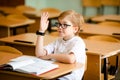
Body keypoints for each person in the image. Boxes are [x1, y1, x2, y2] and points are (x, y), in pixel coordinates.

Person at [35, 10, 86, 80]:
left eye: (65, 25)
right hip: (57, 75)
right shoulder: (58, 41)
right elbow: (39, 54)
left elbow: (70, 59)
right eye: (59, 24)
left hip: (69, 78)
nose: (59, 27)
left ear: (75, 29)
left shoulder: (78, 42)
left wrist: (50, 56)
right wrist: (41, 31)